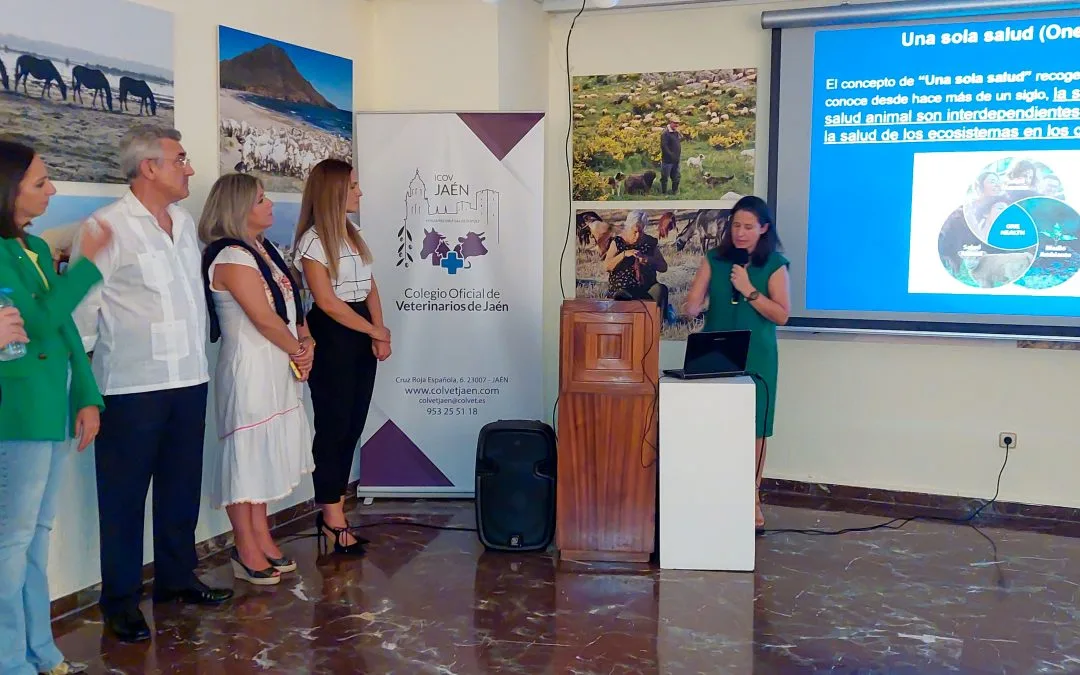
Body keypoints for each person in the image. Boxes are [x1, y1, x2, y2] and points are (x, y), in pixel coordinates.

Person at [70, 126, 233, 644]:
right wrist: (86, 390)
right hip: (130, 386)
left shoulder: (183, 224)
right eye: (180, 159)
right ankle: (119, 601)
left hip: (189, 377)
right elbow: (82, 314)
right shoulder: (106, 226)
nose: (189, 168)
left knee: (180, 487)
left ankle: (176, 578)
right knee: (122, 499)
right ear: (149, 168)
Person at [0, 139, 112, 675]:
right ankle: (9, 658)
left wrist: (87, 396)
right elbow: (39, 323)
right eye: (41, 182)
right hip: (15, 412)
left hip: (51, 408)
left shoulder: (37, 250)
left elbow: (62, 329)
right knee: (11, 542)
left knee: (36, 537)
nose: (53, 190)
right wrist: (87, 267)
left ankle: (40, 650)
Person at [198, 173, 315, 585]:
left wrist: (305, 337)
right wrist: (298, 349)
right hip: (249, 367)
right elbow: (263, 318)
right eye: (262, 200)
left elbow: (289, 306)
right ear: (238, 209)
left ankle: (261, 534)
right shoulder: (231, 257)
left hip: (276, 361)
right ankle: (244, 544)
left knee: (264, 453)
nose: (271, 206)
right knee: (247, 452)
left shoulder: (262, 249)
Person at [294, 159, 390, 555]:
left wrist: (379, 330)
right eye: (353, 186)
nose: (359, 192)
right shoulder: (313, 242)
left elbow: (369, 286)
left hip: (360, 329)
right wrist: (371, 330)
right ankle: (332, 516)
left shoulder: (353, 233)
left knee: (353, 423)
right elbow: (328, 303)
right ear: (333, 191)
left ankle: (335, 510)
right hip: (334, 335)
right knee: (333, 427)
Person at [683, 195, 790, 531]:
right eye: (736, 225)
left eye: (748, 226)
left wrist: (749, 290)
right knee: (714, 424)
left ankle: (752, 498)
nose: (740, 233)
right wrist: (693, 305)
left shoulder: (774, 264)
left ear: (764, 229)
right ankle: (713, 494)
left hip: (757, 355)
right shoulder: (714, 259)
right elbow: (691, 305)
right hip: (716, 352)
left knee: (755, 429)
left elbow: (782, 315)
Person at [603, 210, 669, 317]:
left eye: (641, 232)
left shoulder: (649, 242)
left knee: (661, 289)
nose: (638, 235)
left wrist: (648, 259)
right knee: (622, 295)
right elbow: (607, 266)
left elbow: (663, 267)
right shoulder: (618, 242)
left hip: (646, 288)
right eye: (635, 232)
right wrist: (623, 254)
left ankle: (657, 326)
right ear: (628, 228)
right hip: (624, 288)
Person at [660, 118, 682, 195]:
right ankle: (664, 193)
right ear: (670, 123)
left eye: (678, 123)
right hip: (667, 160)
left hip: (676, 160)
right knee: (665, 177)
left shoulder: (675, 132)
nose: (677, 125)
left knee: (676, 177)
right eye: (675, 123)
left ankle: (674, 191)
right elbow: (664, 146)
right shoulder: (665, 133)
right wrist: (671, 155)